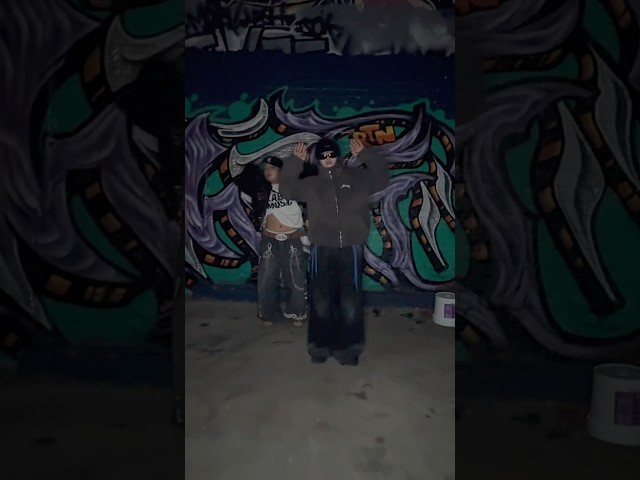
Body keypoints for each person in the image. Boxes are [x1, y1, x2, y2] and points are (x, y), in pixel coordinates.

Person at [279, 137, 389, 365]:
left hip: (351, 247)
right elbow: (288, 190)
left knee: (350, 301)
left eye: (331, 155)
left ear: (338, 156)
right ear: (318, 159)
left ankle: (349, 350)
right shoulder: (311, 183)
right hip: (322, 246)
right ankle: (319, 348)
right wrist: (294, 163)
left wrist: (366, 155)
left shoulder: (357, 178)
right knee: (321, 299)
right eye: (323, 156)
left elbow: (381, 177)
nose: (327, 159)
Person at [234, 157, 308, 327]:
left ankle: (297, 312)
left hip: (292, 238)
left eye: (272, 167)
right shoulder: (261, 190)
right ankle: (268, 313)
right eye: (265, 168)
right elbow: (240, 178)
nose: (268, 170)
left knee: (296, 278)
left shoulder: (294, 187)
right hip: (270, 239)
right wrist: (254, 165)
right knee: (266, 278)